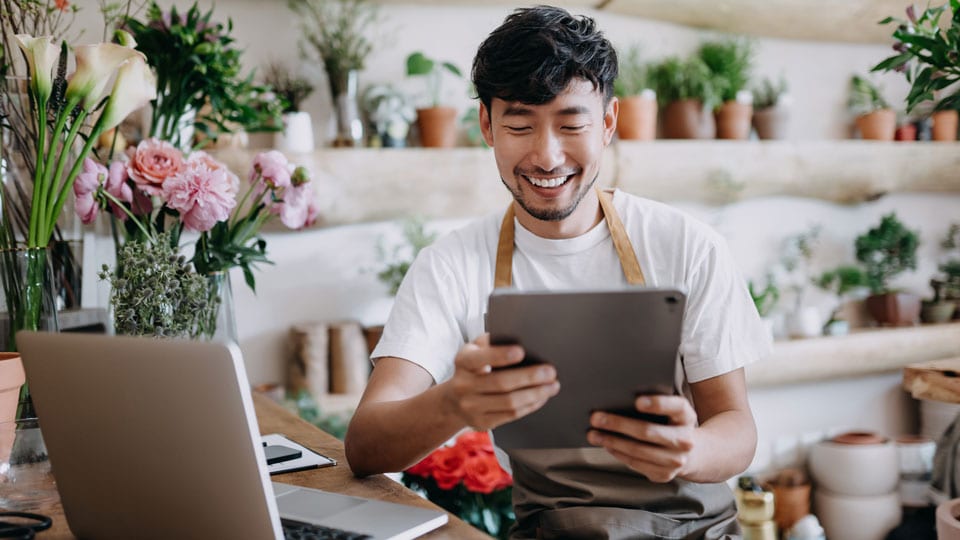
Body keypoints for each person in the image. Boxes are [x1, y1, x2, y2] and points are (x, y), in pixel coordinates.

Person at [345, 5, 770, 538]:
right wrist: (453, 402)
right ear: (487, 126)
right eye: (519, 125)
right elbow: (364, 446)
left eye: (572, 124)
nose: (546, 157)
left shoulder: (688, 246)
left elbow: (737, 428)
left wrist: (690, 450)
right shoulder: (450, 265)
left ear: (609, 122)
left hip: (695, 529)